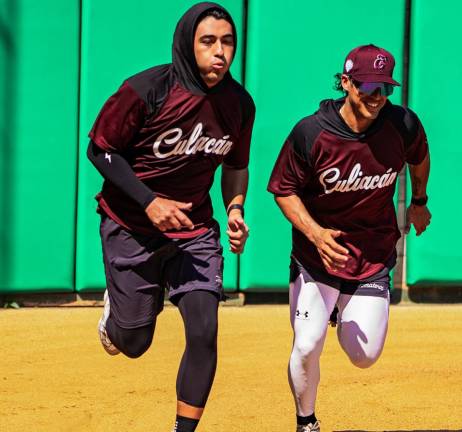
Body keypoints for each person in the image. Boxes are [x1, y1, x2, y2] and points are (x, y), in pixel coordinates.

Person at [87, 3, 254, 431]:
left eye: (228, 41)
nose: (220, 52)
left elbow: (235, 166)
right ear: (186, 43)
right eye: (208, 41)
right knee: (134, 342)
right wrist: (148, 201)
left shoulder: (238, 104)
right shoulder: (147, 90)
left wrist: (235, 209)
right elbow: (101, 149)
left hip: (193, 231)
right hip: (131, 224)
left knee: (204, 330)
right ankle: (118, 316)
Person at [267, 44, 431, 432]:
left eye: (385, 89)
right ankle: (306, 422)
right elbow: (283, 190)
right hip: (317, 257)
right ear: (346, 83)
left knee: (364, 355)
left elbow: (419, 156)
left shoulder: (402, 124)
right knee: (307, 344)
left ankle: (340, 309)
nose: (377, 98)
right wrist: (315, 233)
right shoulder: (312, 132)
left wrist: (420, 200)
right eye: (367, 87)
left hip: (372, 253)